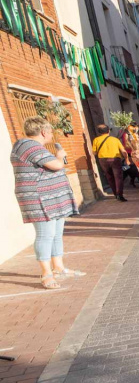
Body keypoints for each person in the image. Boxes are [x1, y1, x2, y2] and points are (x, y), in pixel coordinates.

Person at [12, 116, 83, 289]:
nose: (51, 134)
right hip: (40, 199)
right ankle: (46, 274)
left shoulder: (33, 146)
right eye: (50, 131)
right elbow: (56, 165)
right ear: (44, 132)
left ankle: (58, 267)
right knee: (45, 235)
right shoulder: (29, 146)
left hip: (51, 198)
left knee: (56, 234)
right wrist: (60, 156)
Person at [93, 123, 129, 201]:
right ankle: (120, 194)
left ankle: (116, 194)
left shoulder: (96, 140)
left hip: (103, 160)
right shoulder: (115, 139)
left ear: (99, 132)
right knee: (118, 177)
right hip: (115, 159)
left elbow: (94, 152)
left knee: (109, 177)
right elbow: (124, 151)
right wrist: (127, 159)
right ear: (108, 131)